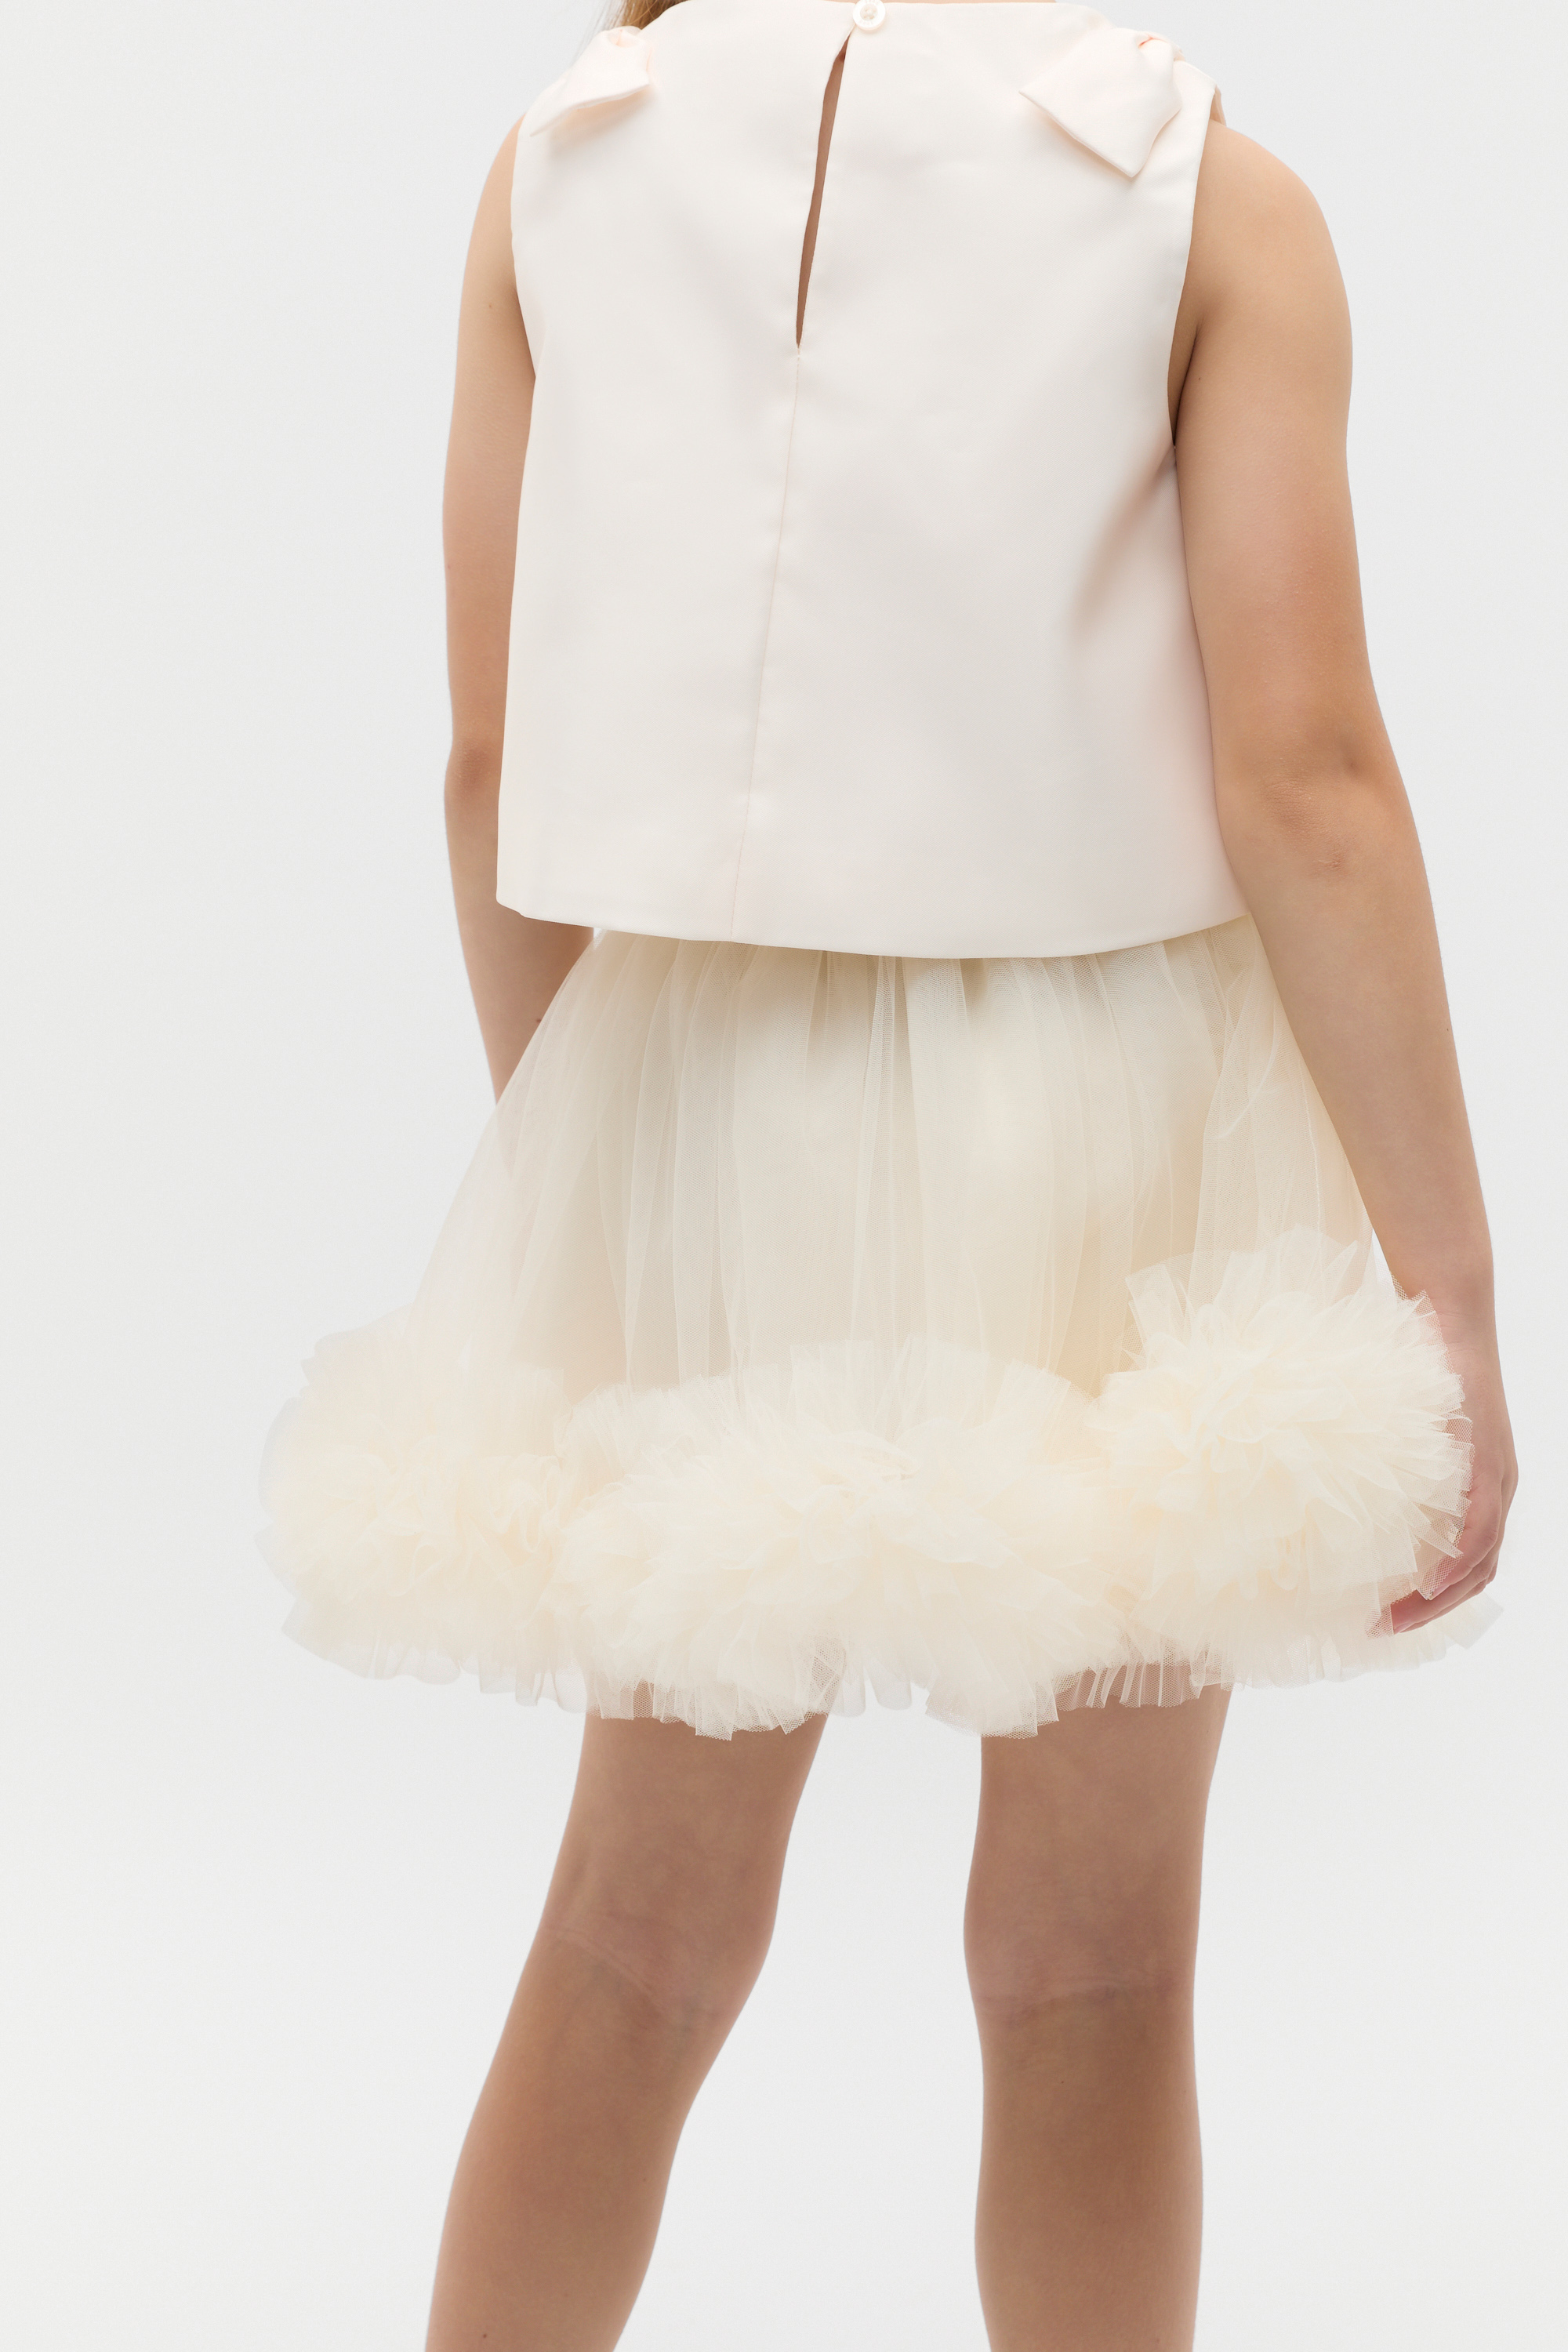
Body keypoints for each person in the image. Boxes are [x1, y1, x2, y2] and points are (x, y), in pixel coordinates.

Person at [260, 4, 1516, 2344]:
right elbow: (1310, 780)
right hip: (1122, 1123)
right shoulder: (1195, 190)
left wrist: (592, 1168)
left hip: (716, 1088)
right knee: (1093, 1967)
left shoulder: (565, 161)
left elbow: (490, 759)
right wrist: (1445, 1286)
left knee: (632, 1941)